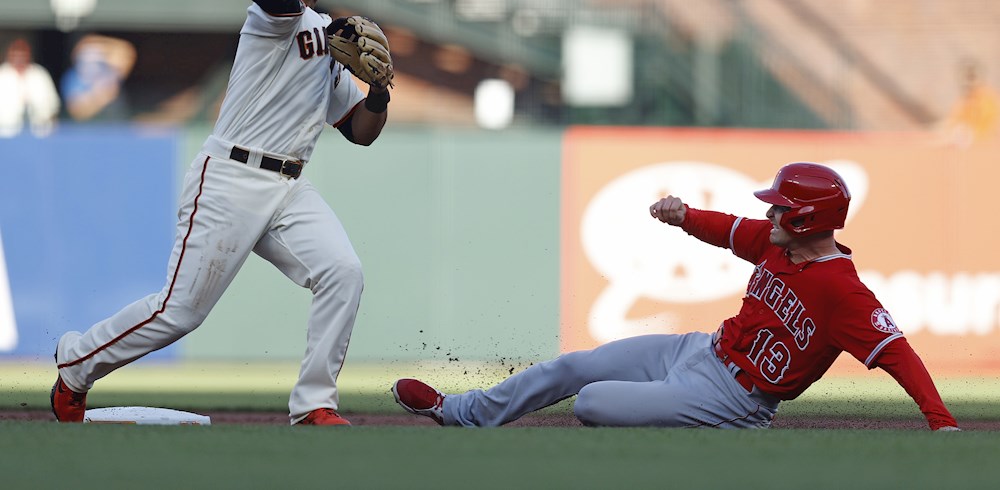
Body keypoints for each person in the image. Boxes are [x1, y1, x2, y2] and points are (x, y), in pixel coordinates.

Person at [50, 0, 393, 426]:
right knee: (180, 312)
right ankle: (77, 363)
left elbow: (359, 132)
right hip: (231, 176)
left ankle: (315, 404)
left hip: (289, 185)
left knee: (342, 272)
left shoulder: (328, 35)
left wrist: (381, 93)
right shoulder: (272, 14)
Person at [392, 162, 960, 431]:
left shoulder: (843, 291)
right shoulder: (777, 243)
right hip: (699, 351)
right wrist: (685, 217)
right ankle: (459, 411)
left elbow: (897, 353)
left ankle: (715, 434)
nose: (770, 211)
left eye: (781, 206)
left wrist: (941, 421)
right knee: (575, 367)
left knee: (592, 402)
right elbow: (728, 226)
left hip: (738, 402)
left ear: (810, 217)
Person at [60, 33, 137, 122]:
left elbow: (126, 50)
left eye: (97, 56)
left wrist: (99, 43)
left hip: (115, 128)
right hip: (87, 131)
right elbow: (77, 113)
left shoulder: (109, 74)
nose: (91, 60)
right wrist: (99, 97)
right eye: (86, 55)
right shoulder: (72, 77)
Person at [0, 37, 61, 137]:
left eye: (22, 55)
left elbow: (53, 106)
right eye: (16, 54)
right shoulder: (2, 74)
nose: (19, 59)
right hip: (5, 133)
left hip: (40, 133)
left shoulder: (40, 74)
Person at [940, 60, 1000, 146]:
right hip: (966, 134)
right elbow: (954, 119)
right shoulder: (964, 100)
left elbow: (992, 122)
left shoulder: (988, 97)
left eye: (972, 78)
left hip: (980, 137)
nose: (970, 83)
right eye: (968, 78)